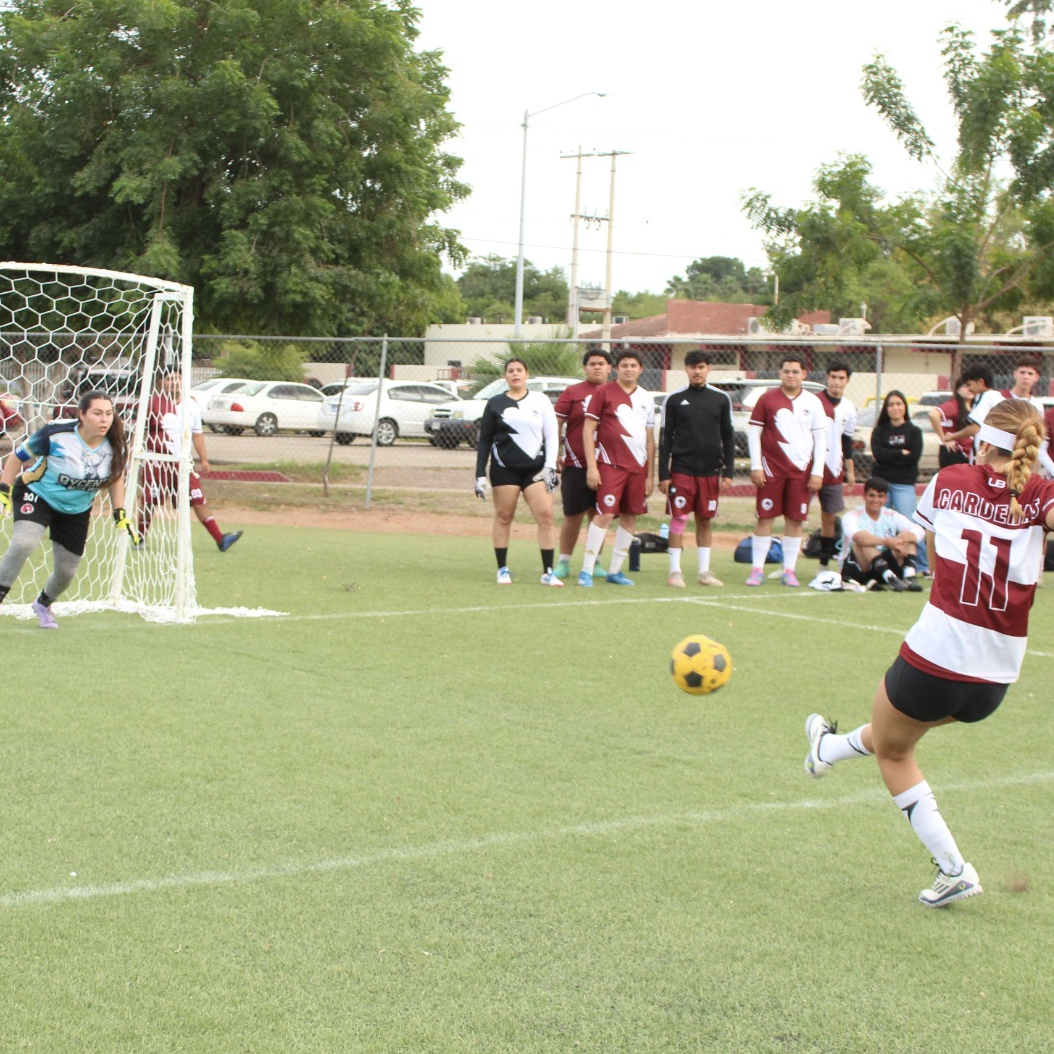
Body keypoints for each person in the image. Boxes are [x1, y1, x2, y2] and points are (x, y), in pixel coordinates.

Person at [803, 399, 1054, 907]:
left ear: (984, 439)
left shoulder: (953, 479)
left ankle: (953, 869)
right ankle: (826, 749)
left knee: (895, 750)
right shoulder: (1040, 491)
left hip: (940, 652)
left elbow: (930, 547)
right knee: (895, 730)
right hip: (997, 675)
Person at [0, 391, 139, 628]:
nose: (104, 419)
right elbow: (16, 456)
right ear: (82, 415)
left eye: (108, 413)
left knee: (66, 572)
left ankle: (43, 603)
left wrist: (120, 514)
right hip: (37, 493)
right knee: (24, 543)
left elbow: (116, 477)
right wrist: (4, 490)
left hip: (76, 508)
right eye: (97, 413)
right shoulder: (56, 434)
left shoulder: (116, 443)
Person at [474, 358, 562, 586]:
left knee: (546, 516)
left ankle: (548, 572)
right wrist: (479, 473)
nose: (515, 374)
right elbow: (485, 440)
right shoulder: (495, 403)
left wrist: (550, 467)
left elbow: (552, 434)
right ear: (505, 376)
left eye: (519, 370)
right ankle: (502, 569)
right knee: (504, 516)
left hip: (537, 470)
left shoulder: (540, 400)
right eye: (510, 371)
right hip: (505, 469)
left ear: (527, 374)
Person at [745, 355, 827, 587]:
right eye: (787, 371)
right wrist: (756, 465)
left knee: (795, 520)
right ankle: (757, 569)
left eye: (795, 371)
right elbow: (754, 433)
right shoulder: (767, 399)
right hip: (771, 470)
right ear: (780, 373)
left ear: (804, 374)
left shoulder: (813, 402)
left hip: (801, 471)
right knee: (765, 517)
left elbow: (821, 439)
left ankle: (789, 570)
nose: (791, 375)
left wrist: (818, 471)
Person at [139, 370, 243, 551]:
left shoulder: (191, 404)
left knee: (197, 498)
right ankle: (139, 538)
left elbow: (197, 434)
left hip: (183, 463)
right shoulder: (151, 403)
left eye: (178, 378)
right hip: (157, 461)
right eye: (170, 379)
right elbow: (141, 431)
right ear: (160, 382)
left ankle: (220, 539)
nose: (175, 382)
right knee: (150, 501)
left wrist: (204, 459)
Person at [578, 348, 656, 587]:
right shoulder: (603, 392)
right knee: (605, 515)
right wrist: (592, 467)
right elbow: (588, 430)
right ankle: (586, 570)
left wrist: (650, 476)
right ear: (616, 369)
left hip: (638, 468)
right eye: (624, 366)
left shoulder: (646, 398)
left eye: (633, 366)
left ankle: (615, 571)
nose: (629, 369)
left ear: (640, 369)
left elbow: (650, 438)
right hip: (611, 465)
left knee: (630, 517)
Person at [657, 349, 735, 587]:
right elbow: (665, 439)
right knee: (679, 517)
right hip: (682, 469)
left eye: (701, 367)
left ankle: (704, 573)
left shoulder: (721, 399)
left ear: (708, 368)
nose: (697, 372)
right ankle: (675, 572)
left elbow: (728, 436)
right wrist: (664, 474)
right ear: (686, 370)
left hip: (711, 471)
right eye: (692, 368)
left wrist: (728, 471)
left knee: (705, 520)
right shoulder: (674, 399)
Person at [552, 348, 612, 579]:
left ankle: (595, 562)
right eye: (592, 363)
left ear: (609, 368)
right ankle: (564, 562)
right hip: (576, 464)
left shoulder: (615, 392)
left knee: (599, 515)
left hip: (606, 465)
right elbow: (557, 423)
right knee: (573, 514)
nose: (597, 367)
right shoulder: (573, 392)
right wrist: (555, 453)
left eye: (601, 363)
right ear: (585, 368)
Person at [870, 389, 926, 575]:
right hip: (881, 483)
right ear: (886, 409)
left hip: (904, 483)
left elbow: (913, 458)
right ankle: (877, 561)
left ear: (905, 407)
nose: (895, 408)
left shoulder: (914, 431)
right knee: (878, 522)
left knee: (910, 523)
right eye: (891, 405)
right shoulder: (879, 431)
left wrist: (889, 456)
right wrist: (901, 452)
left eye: (898, 404)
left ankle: (922, 565)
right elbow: (878, 454)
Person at [811, 362, 857, 582]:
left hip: (833, 468)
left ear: (847, 381)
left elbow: (847, 441)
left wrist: (850, 471)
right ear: (827, 377)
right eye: (833, 377)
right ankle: (787, 566)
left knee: (829, 516)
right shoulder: (813, 402)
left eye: (841, 378)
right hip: (809, 466)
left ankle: (823, 564)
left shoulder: (849, 408)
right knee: (795, 515)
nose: (837, 382)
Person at [838, 476, 924, 592]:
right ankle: (890, 578)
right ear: (864, 496)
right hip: (858, 568)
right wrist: (887, 542)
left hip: (883, 565)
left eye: (880, 496)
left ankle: (909, 577)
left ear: (886, 498)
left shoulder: (891, 515)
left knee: (907, 535)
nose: (876, 500)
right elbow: (858, 538)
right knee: (864, 541)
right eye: (872, 495)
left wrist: (901, 540)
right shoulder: (851, 516)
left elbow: (920, 530)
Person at [929, 378, 973, 468]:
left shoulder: (976, 406)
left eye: (971, 386)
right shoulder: (953, 405)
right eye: (966, 386)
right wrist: (944, 439)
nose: (969, 389)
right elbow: (933, 415)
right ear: (957, 389)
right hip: (955, 452)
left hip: (970, 452)